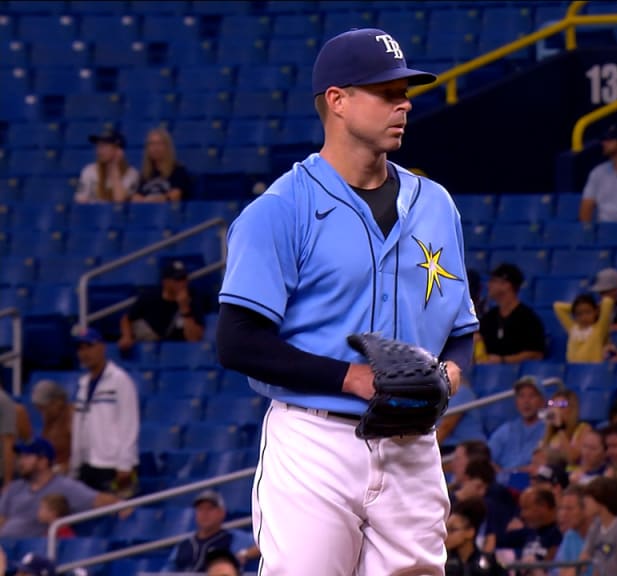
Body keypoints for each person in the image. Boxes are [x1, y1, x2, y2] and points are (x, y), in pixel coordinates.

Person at [214, 28, 478, 576]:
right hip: (316, 439)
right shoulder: (280, 210)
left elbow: (462, 327)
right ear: (337, 100)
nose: (403, 102)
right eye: (386, 92)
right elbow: (238, 342)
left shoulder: (435, 204)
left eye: (405, 91)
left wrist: (448, 376)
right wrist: (352, 378)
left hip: (412, 444)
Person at [0, 438, 120, 537]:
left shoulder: (66, 487)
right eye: (20, 457)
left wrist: (121, 504)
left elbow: (99, 500)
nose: (20, 462)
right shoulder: (15, 488)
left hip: (34, 552)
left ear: (43, 461)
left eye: (26, 457)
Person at [69, 326, 139, 495]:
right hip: (87, 463)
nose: (85, 353)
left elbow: (129, 423)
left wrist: (125, 464)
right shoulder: (83, 383)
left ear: (102, 347)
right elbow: (80, 425)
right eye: (80, 348)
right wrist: (75, 462)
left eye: (89, 346)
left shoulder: (119, 380)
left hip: (113, 465)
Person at [119, 260, 206, 350]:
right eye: (177, 279)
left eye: (184, 278)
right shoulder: (150, 296)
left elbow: (194, 339)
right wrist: (126, 336)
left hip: (181, 350)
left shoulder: (192, 297)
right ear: (165, 282)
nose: (182, 283)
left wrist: (184, 308)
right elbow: (126, 319)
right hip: (151, 347)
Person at [165, 490, 259, 572]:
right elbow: (167, 571)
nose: (205, 513)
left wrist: (245, 554)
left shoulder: (233, 538)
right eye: (200, 509)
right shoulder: (184, 544)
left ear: (222, 512)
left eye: (210, 508)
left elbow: (264, 544)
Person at [477, 263, 546, 364]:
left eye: (493, 281)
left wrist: (503, 360)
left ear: (507, 285)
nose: (488, 285)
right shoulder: (489, 317)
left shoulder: (528, 318)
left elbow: (536, 354)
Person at [488, 377, 547, 471]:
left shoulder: (548, 430)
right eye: (521, 396)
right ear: (516, 402)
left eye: (532, 396)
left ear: (542, 402)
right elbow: (487, 458)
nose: (526, 401)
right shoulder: (506, 429)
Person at [74, 130, 139, 204]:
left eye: (104, 146)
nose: (99, 150)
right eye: (98, 146)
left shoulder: (132, 174)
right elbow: (80, 201)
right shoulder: (89, 170)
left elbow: (120, 202)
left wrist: (114, 170)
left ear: (118, 150)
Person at [444, 498, 506, 576]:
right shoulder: (442, 561)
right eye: (446, 529)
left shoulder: (489, 564)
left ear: (470, 532)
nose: (446, 535)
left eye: (452, 530)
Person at [134, 127, 192, 203]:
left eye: (159, 143)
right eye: (151, 144)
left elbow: (175, 195)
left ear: (167, 147)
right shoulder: (145, 174)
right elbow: (136, 197)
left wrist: (156, 199)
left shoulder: (178, 170)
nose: (155, 148)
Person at [553, 293, 614, 363]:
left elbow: (608, 302)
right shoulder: (572, 328)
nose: (584, 318)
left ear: (596, 311)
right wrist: (576, 307)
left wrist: (593, 306)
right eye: (579, 314)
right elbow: (557, 306)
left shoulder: (599, 329)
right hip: (573, 370)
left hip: (593, 370)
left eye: (588, 312)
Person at [29, 380, 72, 474]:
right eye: (39, 408)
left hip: (69, 473)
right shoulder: (49, 418)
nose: (42, 412)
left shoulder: (72, 417)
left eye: (43, 407)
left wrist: (62, 468)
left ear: (58, 402)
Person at [540, 389, 591, 466]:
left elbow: (572, 459)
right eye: (553, 405)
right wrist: (549, 428)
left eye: (562, 405)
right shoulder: (554, 433)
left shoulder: (583, 428)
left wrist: (560, 427)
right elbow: (540, 459)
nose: (556, 409)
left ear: (572, 408)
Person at [554, 486, 594, 576]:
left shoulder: (601, 535)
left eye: (569, 509)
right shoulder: (570, 536)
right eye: (561, 508)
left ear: (585, 509)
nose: (563, 514)